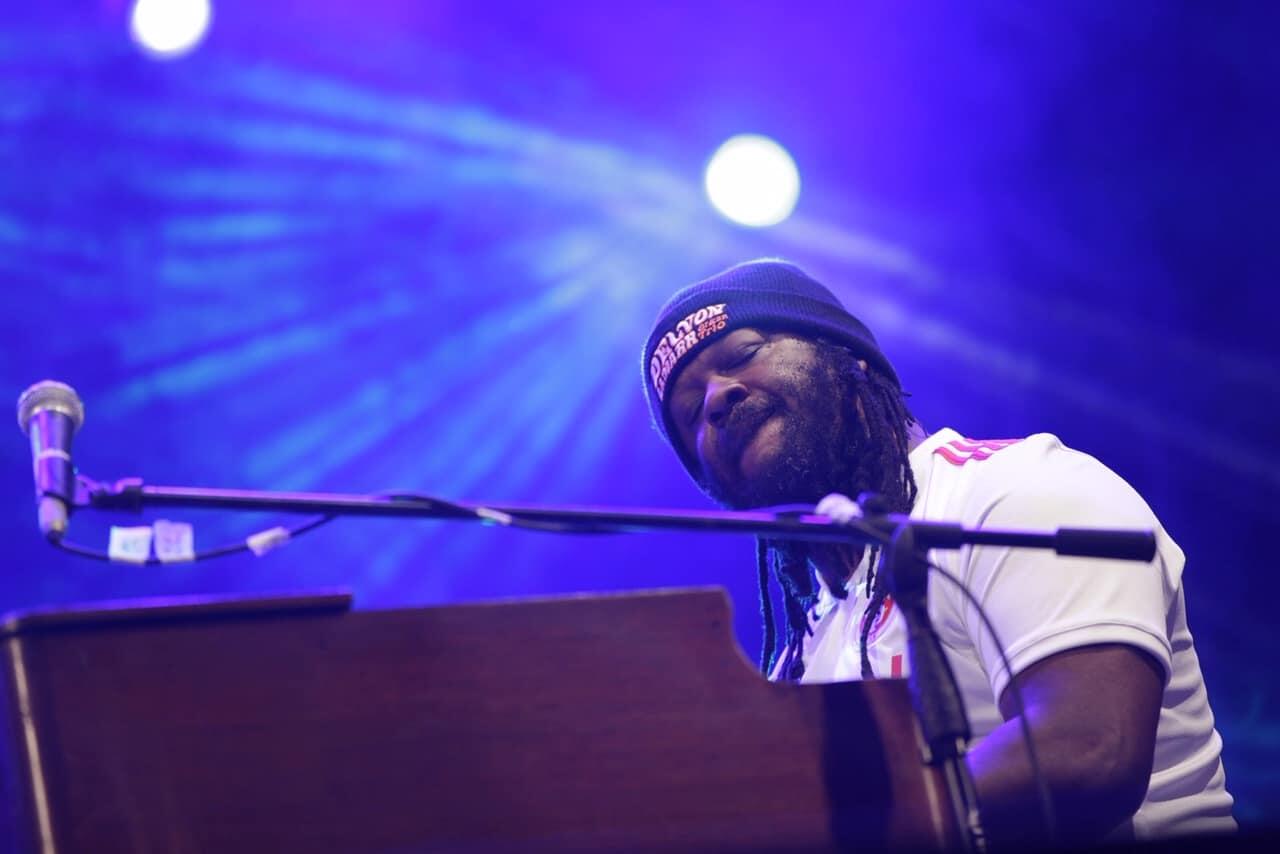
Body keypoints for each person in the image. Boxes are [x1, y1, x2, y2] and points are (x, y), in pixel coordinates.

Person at [640, 259, 1234, 846]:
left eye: (744, 353)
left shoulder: (1013, 489)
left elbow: (1088, 753)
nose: (716, 398)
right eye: (690, 412)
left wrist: (831, 827)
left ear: (849, 359)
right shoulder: (802, 652)